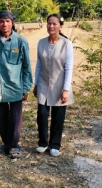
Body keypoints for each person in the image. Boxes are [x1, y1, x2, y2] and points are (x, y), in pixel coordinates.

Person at [0, 10, 33, 160]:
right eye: (1, 21)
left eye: (7, 21)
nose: (4, 24)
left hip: (15, 86)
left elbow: (26, 66)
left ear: (12, 23)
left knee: (16, 118)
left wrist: (26, 87)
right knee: (2, 117)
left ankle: (14, 145)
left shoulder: (20, 41)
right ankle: (6, 143)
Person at [33, 13, 74, 157]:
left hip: (59, 83)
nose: (51, 26)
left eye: (54, 24)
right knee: (42, 114)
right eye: (49, 23)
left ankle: (55, 144)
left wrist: (66, 89)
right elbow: (38, 65)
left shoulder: (66, 44)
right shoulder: (41, 43)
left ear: (60, 26)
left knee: (58, 116)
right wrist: (36, 83)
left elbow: (69, 67)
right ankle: (43, 142)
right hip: (44, 82)